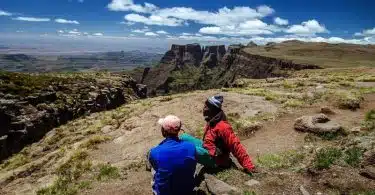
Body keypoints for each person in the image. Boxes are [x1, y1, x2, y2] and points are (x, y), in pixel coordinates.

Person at [180, 95, 256, 174]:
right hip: (208, 148)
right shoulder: (212, 121)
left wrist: (248, 166)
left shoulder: (223, 127)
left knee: (188, 148)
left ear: (213, 109)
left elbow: (235, 145)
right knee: (183, 137)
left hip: (216, 159)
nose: (203, 109)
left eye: (206, 107)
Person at [148, 115, 197, 195]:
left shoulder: (154, 151)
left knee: (154, 169)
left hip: (165, 192)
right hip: (187, 190)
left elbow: (157, 167)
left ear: (163, 131)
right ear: (178, 130)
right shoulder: (191, 146)